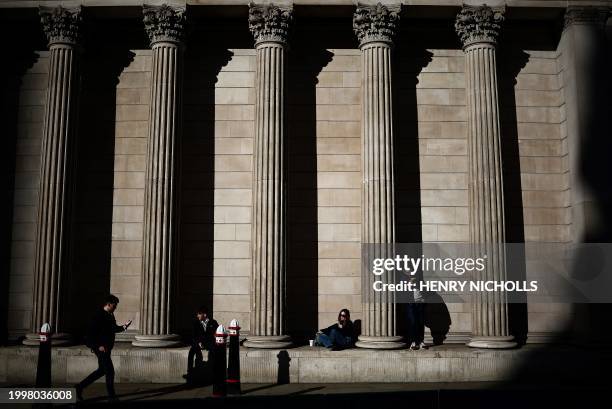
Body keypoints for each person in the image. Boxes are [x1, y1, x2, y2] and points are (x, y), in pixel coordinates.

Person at [76, 294, 131, 402]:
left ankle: (79, 387)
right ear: (108, 304)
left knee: (101, 371)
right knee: (110, 371)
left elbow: (113, 329)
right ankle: (112, 397)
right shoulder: (98, 315)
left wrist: (124, 327)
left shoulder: (110, 315)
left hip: (107, 348)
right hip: (101, 348)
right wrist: (97, 346)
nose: (115, 308)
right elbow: (89, 335)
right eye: (114, 306)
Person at [186, 305, 218, 381]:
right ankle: (189, 371)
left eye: (199, 314)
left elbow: (216, 333)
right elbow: (194, 335)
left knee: (215, 350)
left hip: (208, 343)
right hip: (198, 343)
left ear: (205, 314)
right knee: (191, 351)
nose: (197, 316)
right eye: (197, 314)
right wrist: (198, 342)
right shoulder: (195, 323)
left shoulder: (213, 322)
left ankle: (215, 371)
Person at [407, 277, 427, 350]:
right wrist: (410, 282)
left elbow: (424, 290)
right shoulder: (404, 279)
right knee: (413, 322)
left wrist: (423, 299)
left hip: (420, 303)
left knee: (421, 322)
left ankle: (421, 341)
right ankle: (413, 342)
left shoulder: (419, 280)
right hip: (411, 304)